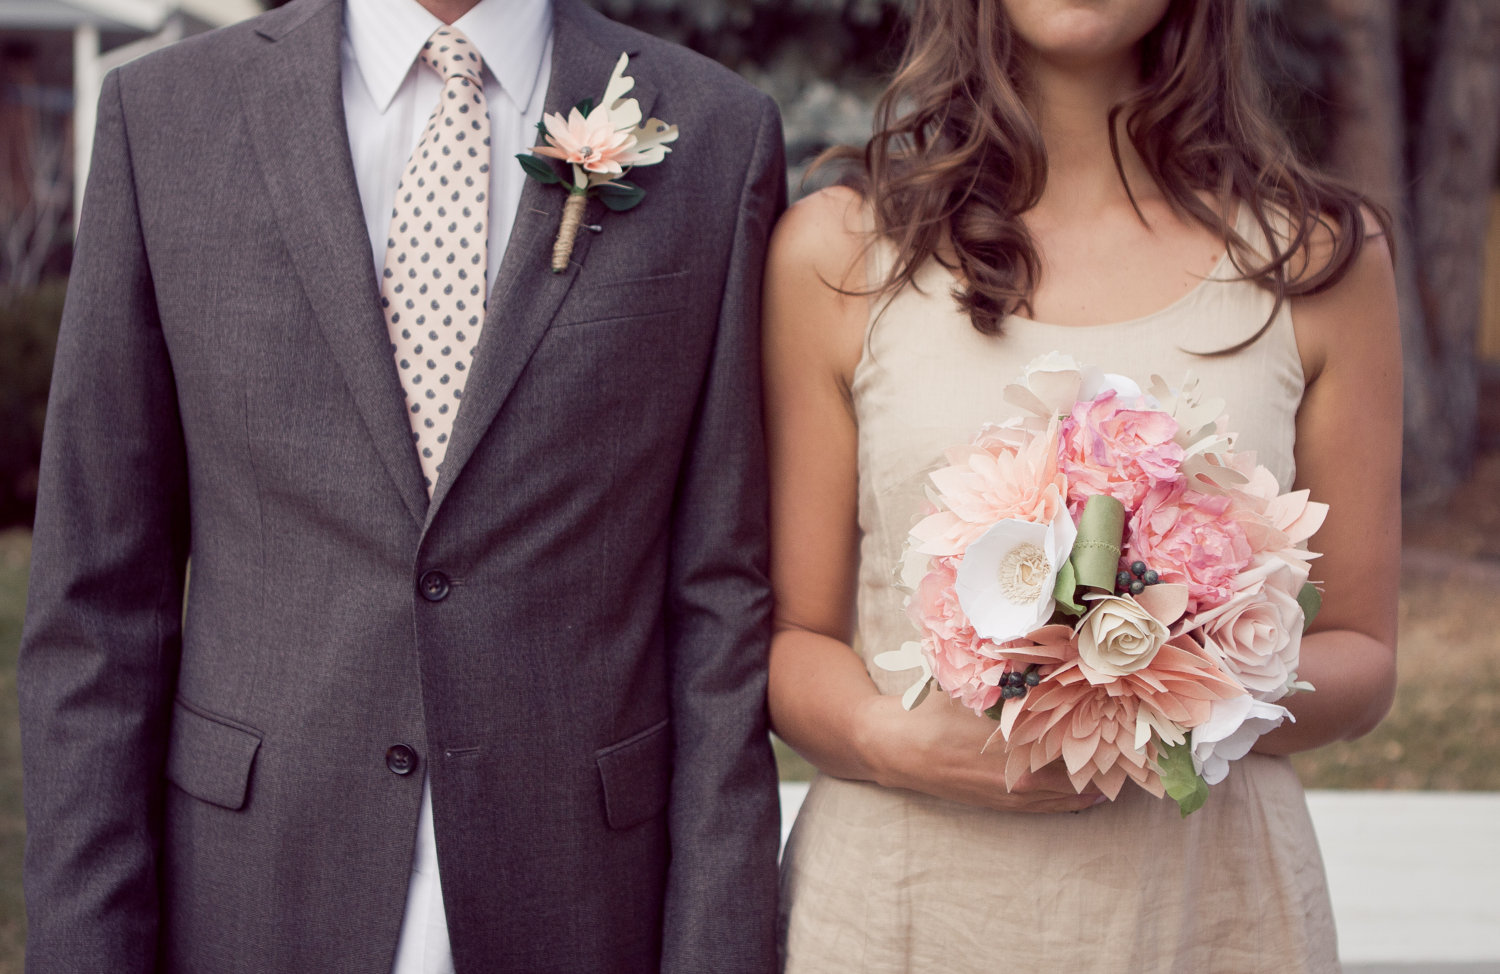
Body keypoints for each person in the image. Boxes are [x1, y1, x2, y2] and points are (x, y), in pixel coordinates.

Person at [18, 0, 784, 970]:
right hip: (253, 889)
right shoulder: (165, 116)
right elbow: (96, 609)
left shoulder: (715, 132)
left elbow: (721, 603)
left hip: (583, 898)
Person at [764, 0, 1400, 970]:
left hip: (1206, 909)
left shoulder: (1316, 258)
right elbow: (790, 635)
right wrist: (888, 738)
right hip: (903, 906)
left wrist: (1164, 679)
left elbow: (1363, 652)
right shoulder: (840, 251)